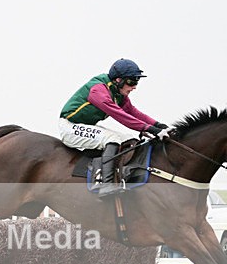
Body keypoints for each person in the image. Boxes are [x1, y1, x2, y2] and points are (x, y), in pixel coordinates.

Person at [59, 58, 169, 197]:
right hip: (69, 127)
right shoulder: (98, 91)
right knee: (112, 139)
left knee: (129, 140)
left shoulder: (117, 92)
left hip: (85, 126)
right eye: (131, 81)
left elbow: (134, 113)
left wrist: (158, 125)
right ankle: (106, 184)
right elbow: (122, 117)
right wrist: (151, 129)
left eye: (136, 82)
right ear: (118, 80)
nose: (134, 86)